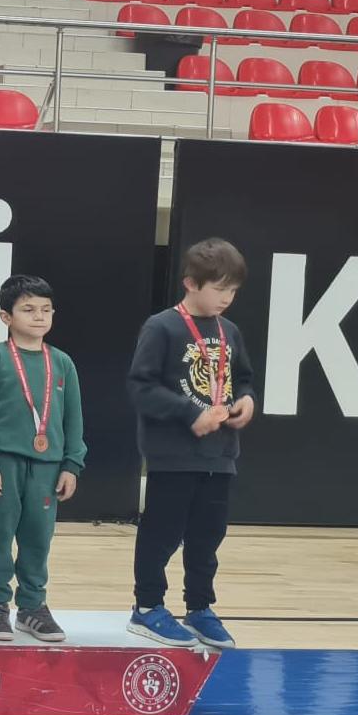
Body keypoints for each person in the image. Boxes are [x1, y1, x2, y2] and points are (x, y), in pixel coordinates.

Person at [126, 238, 254, 649]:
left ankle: (200, 608)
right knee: (162, 532)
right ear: (191, 283)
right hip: (174, 454)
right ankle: (147, 606)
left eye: (233, 290)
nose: (227, 298)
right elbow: (141, 387)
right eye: (220, 289)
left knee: (208, 536)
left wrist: (247, 400)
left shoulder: (229, 331)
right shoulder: (162, 327)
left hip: (221, 454)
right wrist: (189, 412)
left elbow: (243, 378)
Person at [0, 275, 85, 643]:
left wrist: (72, 464)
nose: (39, 316)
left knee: (38, 537)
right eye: (28, 309)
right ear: (6, 317)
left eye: (46, 310)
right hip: (3, 463)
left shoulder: (62, 363)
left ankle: (32, 606)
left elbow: (74, 418)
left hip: (47, 467)